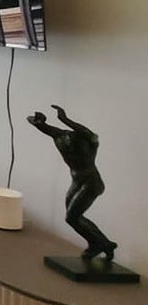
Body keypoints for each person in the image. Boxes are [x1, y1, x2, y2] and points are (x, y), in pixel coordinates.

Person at [27, 105, 115, 262]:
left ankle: (99, 244)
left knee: (72, 217)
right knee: (75, 216)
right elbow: (40, 125)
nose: (68, 147)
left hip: (91, 182)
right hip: (77, 181)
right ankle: (104, 243)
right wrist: (39, 122)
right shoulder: (60, 137)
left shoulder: (89, 141)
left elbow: (89, 134)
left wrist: (65, 119)